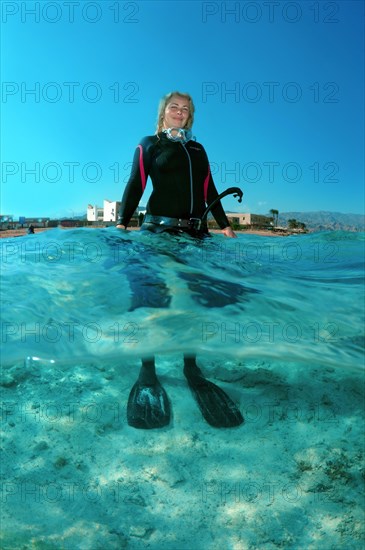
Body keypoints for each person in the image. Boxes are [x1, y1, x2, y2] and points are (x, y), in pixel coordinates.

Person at [117, 91, 243, 430]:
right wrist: (121, 223)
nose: (180, 112)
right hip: (157, 230)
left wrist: (227, 226)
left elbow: (209, 189)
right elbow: (135, 184)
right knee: (149, 296)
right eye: (174, 107)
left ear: (190, 118)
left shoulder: (199, 149)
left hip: (195, 234)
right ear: (163, 113)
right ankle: (148, 370)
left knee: (198, 298)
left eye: (186, 109)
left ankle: (191, 366)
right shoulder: (150, 144)